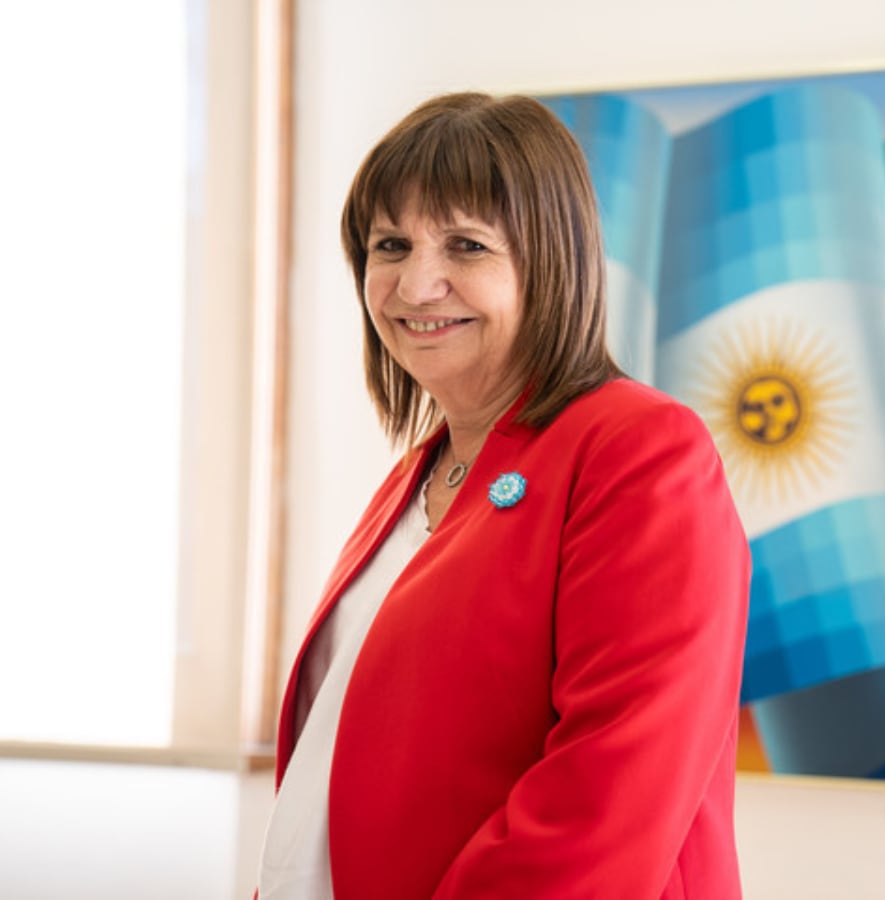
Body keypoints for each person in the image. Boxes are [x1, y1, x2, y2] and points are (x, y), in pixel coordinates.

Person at [258, 91, 751, 899]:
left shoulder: (638, 449)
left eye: (465, 245)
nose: (418, 285)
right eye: (391, 244)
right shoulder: (422, 471)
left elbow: (605, 799)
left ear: (549, 260)